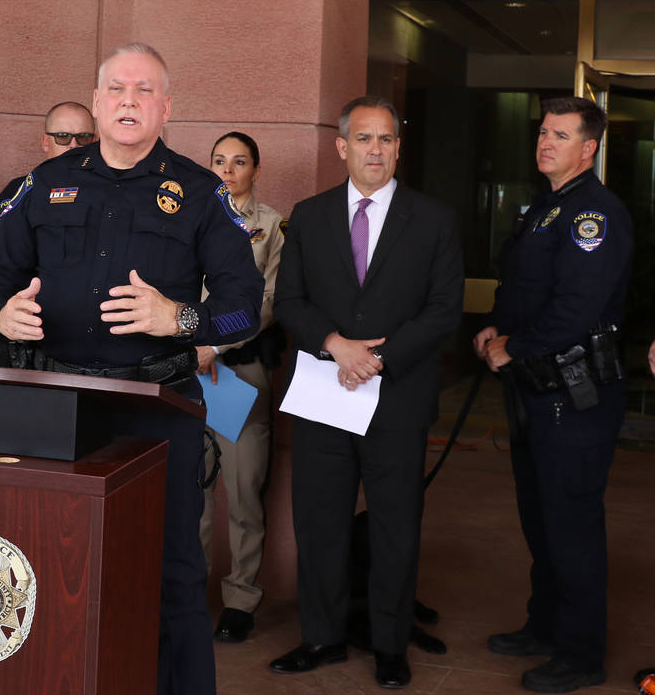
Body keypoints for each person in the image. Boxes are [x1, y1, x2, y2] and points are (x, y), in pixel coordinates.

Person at [0, 42, 264, 695]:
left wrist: (181, 320)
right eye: (116, 89)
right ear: (99, 102)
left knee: (172, 574)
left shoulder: (200, 193)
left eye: (144, 90)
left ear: (166, 107)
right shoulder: (42, 184)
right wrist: (1, 317)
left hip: (155, 408)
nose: (129, 100)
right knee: (46, 563)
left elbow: (246, 309)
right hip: (55, 403)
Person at [271, 95, 463, 689]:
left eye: (385, 140)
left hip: (397, 397)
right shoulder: (308, 215)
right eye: (363, 139)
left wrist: (375, 358)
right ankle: (322, 637)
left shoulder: (433, 219)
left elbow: (443, 311)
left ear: (398, 148)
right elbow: (289, 303)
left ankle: (389, 643)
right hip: (325, 396)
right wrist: (335, 343)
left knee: (394, 524)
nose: (374, 150)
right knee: (320, 522)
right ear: (342, 147)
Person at [474, 96, 631, 693]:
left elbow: (575, 308)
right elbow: (525, 286)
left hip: (574, 393)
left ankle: (580, 654)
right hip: (538, 390)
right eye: (543, 132)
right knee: (541, 521)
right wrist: (494, 323)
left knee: (572, 526)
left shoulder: (594, 213)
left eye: (561, 135)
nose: (546, 142)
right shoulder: (546, 206)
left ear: (588, 148)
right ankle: (545, 627)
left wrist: (514, 346)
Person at [196, 131, 285, 644]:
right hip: (191, 369)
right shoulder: (192, 217)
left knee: (244, 490)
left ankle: (240, 598)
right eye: (219, 162)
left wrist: (216, 346)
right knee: (194, 490)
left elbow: (268, 302)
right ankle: (190, 590)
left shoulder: (271, 226)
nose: (228, 171)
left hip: (237, 370)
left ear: (256, 168)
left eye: (239, 162)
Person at [0, 100, 95, 246]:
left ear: (95, 141)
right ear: (45, 142)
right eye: (62, 136)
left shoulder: (110, 189)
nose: (74, 145)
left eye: (83, 137)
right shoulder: (21, 191)